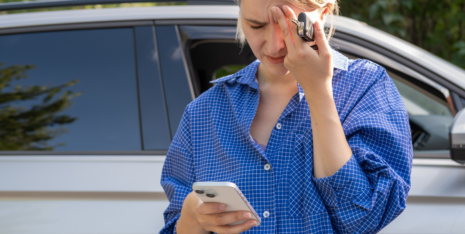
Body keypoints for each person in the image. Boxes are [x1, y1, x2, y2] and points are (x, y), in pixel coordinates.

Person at [160, 0, 413, 233]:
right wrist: (192, 216)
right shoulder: (204, 111)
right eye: (256, 25)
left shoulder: (366, 86)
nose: (274, 45)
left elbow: (363, 218)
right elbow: (176, 224)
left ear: (322, 14)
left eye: (290, 25)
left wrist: (318, 92)